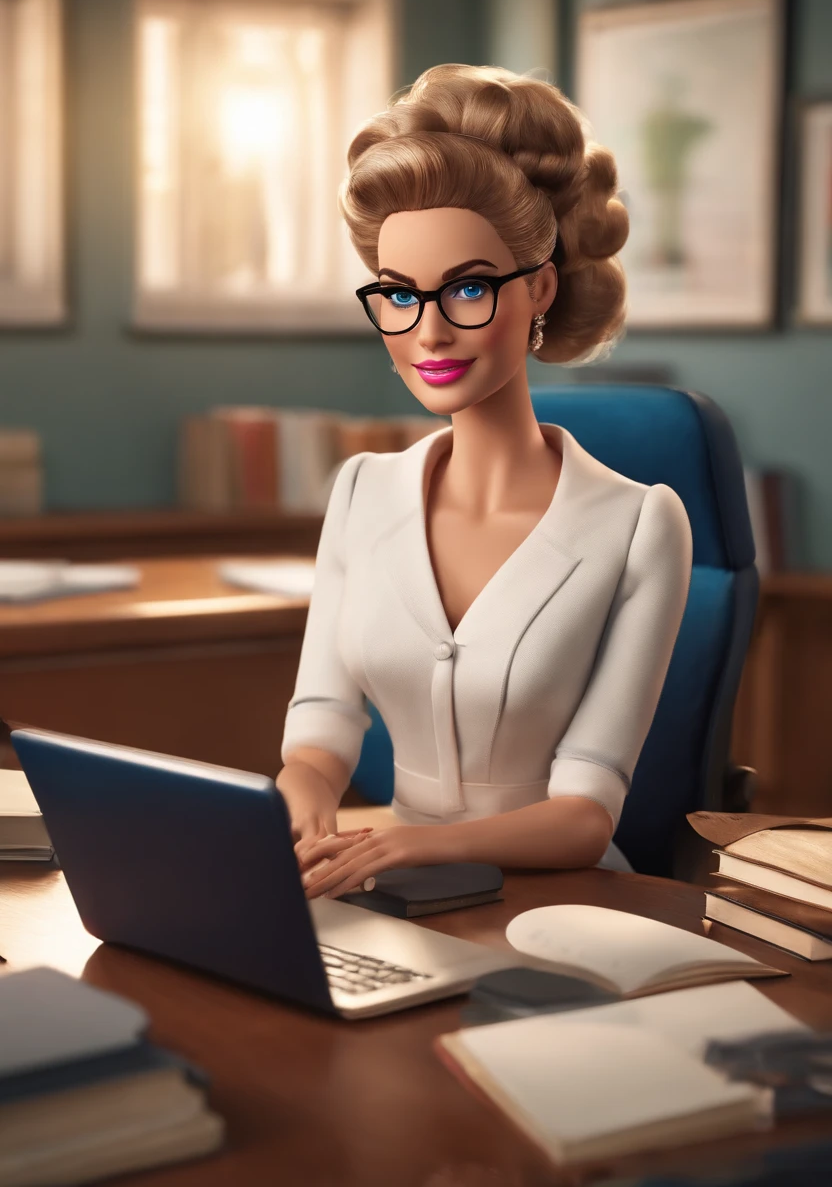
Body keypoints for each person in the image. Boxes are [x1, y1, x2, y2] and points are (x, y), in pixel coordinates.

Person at [276, 64, 693, 899]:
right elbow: (321, 725)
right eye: (397, 294)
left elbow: (585, 814)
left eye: (467, 287)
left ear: (539, 286)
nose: (427, 331)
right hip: (382, 885)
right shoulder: (360, 491)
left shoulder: (642, 524)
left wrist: (407, 848)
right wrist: (306, 796)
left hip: (558, 902)